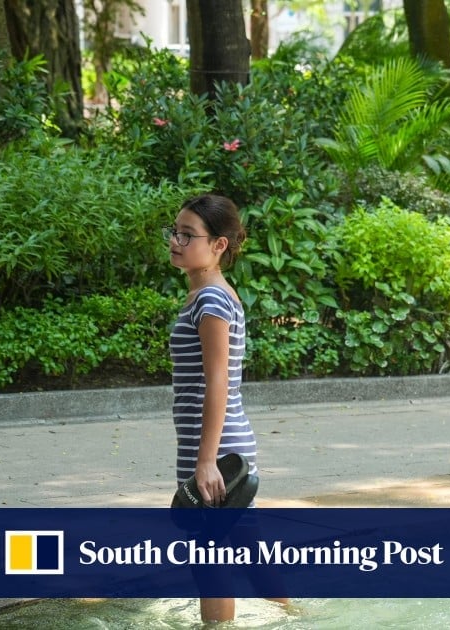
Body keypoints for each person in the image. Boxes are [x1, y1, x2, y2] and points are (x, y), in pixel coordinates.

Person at [164, 193, 289, 622]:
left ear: (219, 245)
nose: (176, 240)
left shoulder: (211, 300)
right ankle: (300, 619)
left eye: (188, 234)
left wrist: (205, 462)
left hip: (215, 447)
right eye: (174, 231)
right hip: (215, 442)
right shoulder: (204, 296)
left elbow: (219, 381)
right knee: (248, 552)